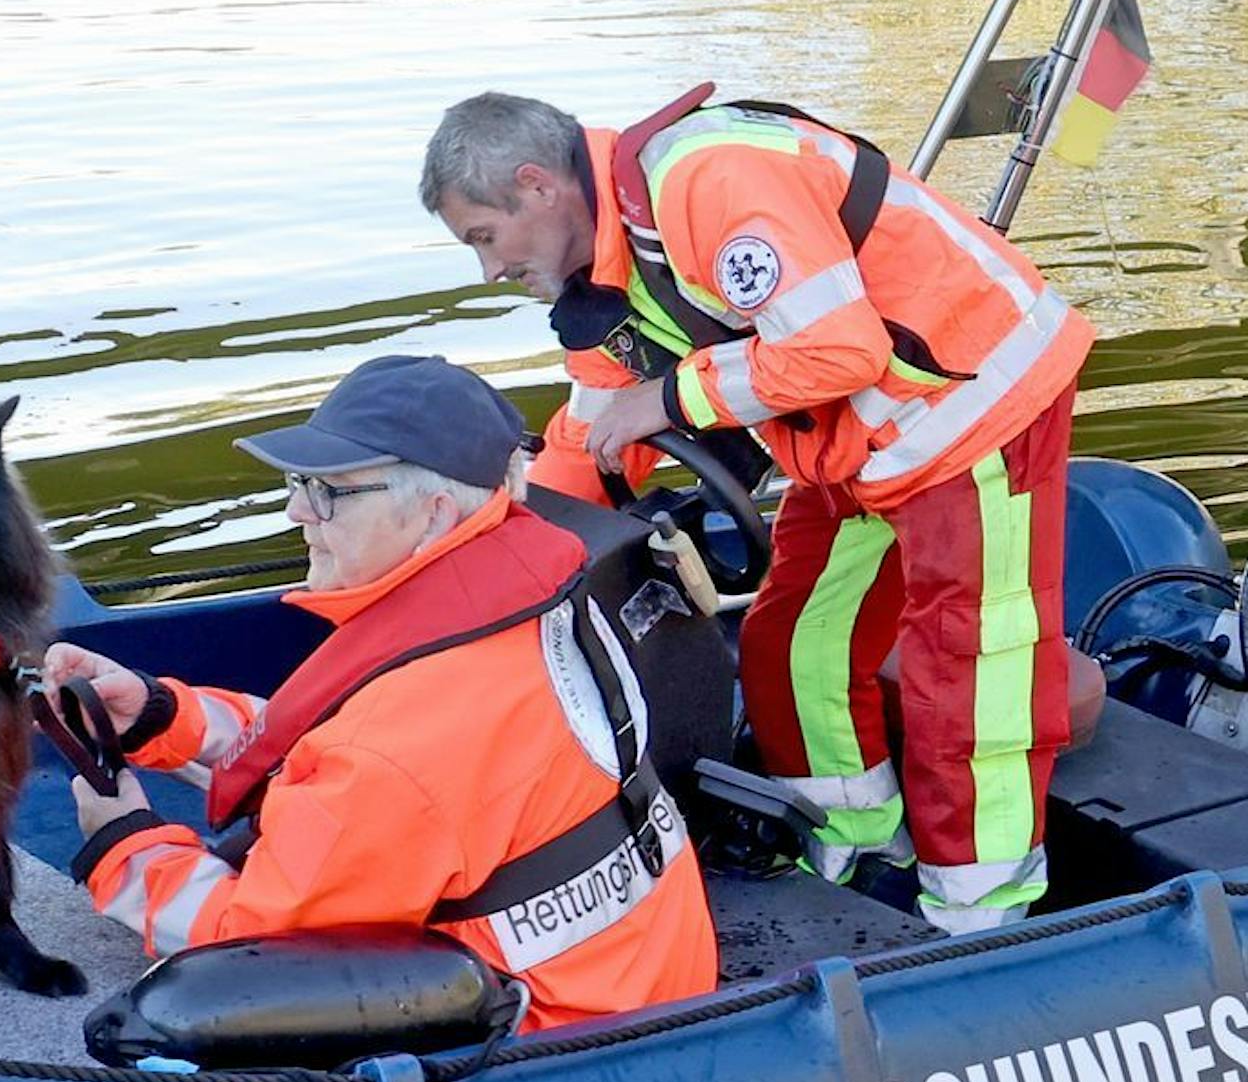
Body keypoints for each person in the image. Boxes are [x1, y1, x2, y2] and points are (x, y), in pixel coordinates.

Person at [420, 88, 1094, 932]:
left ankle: (980, 918)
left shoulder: (708, 180)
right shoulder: (605, 269)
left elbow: (841, 349)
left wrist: (672, 396)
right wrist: (499, 561)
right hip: (857, 445)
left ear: (537, 186)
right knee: (791, 646)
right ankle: (855, 853)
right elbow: (592, 435)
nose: (489, 270)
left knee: (968, 669)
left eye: (485, 238)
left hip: (973, 404)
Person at [46, 354, 717, 1033]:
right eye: (298, 482)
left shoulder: (400, 743)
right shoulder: (538, 599)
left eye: (328, 491)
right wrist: (164, 715)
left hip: (559, 1038)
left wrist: (123, 845)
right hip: (651, 969)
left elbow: (248, 941)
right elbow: (325, 747)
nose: (295, 510)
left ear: (433, 514)